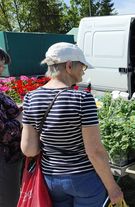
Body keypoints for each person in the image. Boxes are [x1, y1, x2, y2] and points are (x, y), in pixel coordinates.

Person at [21, 42, 124, 207]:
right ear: (69, 66)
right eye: (82, 67)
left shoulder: (30, 98)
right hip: (83, 179)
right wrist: (113, 188)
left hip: (50, 179)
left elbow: (29, 149)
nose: (83, 71)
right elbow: (95, 152)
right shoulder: (82, 99)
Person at [0, 48, 22, 206]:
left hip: (8, 158)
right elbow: (4, 132)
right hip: (4, 159)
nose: (2, 68)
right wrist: (20, 121)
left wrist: (19, 107)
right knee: (8, 200)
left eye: (2, 65)